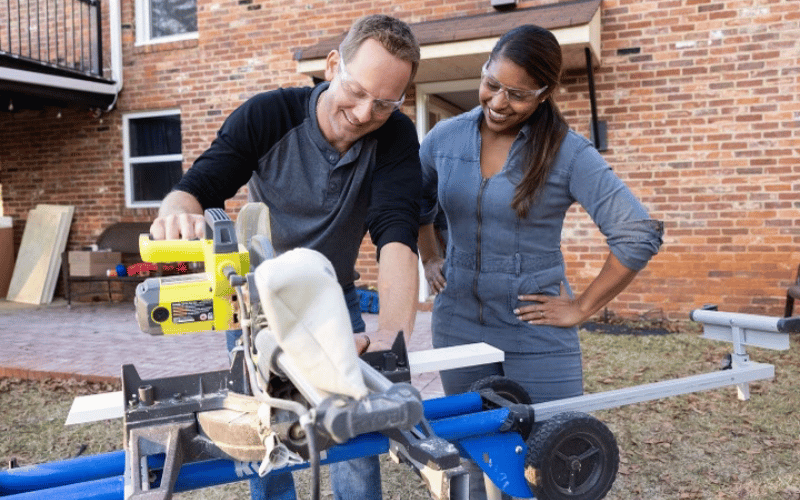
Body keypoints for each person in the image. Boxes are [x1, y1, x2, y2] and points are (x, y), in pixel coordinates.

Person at [149, 14, 422, 500]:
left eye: (384, 103)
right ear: (333, 65)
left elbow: (396, 232)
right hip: (257, 305)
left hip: (333, 298)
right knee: (268, 429)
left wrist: (390, 337)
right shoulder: (268, 116)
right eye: (356, 91)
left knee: (353, 426)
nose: (364, 113)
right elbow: (197, 188)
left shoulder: (396, 136)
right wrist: (176, 214)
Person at [418, 25, 663, 499]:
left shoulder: (568, 153)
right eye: (492, 83)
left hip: (535, 334)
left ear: (545, 93)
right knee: (471, 465)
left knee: (551, 469)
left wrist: (582, 306)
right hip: (458, 326)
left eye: (518, 94)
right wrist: (430, 255)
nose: (498, 102)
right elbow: (416, 203)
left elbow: (637, 233)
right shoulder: (444, 138)